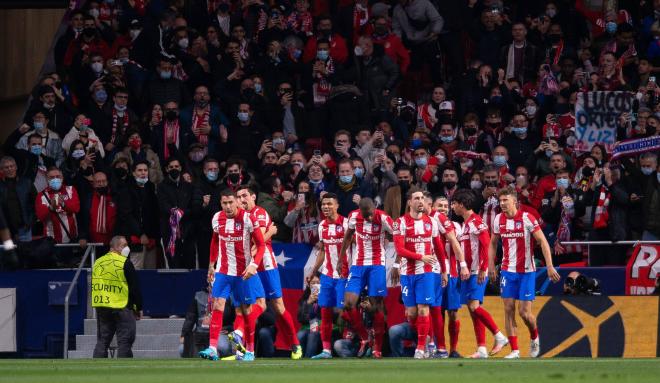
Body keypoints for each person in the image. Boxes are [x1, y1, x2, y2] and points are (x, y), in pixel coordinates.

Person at [488, 187, 561, 359]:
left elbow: (542, 242)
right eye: (501, 201)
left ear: (515, 201)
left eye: (506, 200)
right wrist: (491, 265)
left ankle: (534, 337)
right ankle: (515, 350)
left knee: (524, 313)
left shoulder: (527, 218)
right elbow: (492, 243)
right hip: (507, 270)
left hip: (527, 271)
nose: (502, 204)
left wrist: (550, 266)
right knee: (508, 308)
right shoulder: (498, 219)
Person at [198, 188, 266, 362]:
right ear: (221, 203)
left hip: (243, 273)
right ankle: (212, 348)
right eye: (224, 203)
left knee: (247, 311)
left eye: (230, 202)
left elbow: (261, 245)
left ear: (237, 201)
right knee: (217, 305)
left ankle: (250, 350)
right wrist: (211, 265)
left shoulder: (248, 218)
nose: (228, 206)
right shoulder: (216, 218)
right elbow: (214, 241)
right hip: (223, 271)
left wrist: (253, 265)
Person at [235, 186, 302, 359]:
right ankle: (241, 342)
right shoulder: (238, 218)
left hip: (266, 264)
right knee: (256, 304)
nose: (241, 199)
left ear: (253, 196)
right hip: (251, 266)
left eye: (244, 195)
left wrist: (269, 233)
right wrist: (271, 232)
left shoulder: (260, 213)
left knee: (278, 307)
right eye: (238, 196)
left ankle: (295, 345)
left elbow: (260, 243)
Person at [450, 188, 508, 359]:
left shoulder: (476, 222)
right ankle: (481, 348)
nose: (452, 207)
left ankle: (499, 336)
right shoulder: (466, 224)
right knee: (472, 308)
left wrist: (484, 267)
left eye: (454, 203)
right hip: (468, 273)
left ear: (461, 204)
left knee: (475, 306)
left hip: (477, 272)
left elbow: (487, 245)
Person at [392, 187, 448, 359]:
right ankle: (424, 339)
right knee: (412, 312)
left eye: (422, 198)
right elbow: (399, 249)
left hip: (426, 272)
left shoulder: (431, 222)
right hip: (407, 273)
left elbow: (438, 247)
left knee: (424, 309)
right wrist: (420, 256)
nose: (421, 201)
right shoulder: (400, 223)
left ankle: (421, 348)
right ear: (410, 202)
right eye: (417, 198)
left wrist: (444, 271)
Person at [339, 197, 393, 358]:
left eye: (371, 214)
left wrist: (397, 264)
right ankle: (364, 337)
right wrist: (341, 259)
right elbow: (348, 237)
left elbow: (399, 235)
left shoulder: (384, 218)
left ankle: (377, 348)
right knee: (349, 303)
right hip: (358, 264)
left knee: (376, 306)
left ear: (375, 208)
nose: (369, 218)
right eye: (366, 215)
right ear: (360, 211)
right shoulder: (354, 216)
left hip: (377, 264)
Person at [306, 192, 349, 359]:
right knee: (325, 310)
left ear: (337, 205)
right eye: (324, 204)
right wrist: (312, 271)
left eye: (329, 204)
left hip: (344, 274)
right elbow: (323, 250)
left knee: (344, 311)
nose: (326, 207)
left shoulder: (346, 224)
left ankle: (359, 340)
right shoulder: (322, 225)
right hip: (327, 274)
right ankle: (326, 350)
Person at [92, 235, 142, 358]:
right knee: (125, 340)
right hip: (122, 305)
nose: (127, 248)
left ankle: (97, 369)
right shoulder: (124, 262)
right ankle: (124, 370)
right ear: (116, 247)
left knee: (102, 341)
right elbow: (134, 288)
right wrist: (138, 307)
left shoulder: (97, 262)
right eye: (124, 245)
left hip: (102, 306)